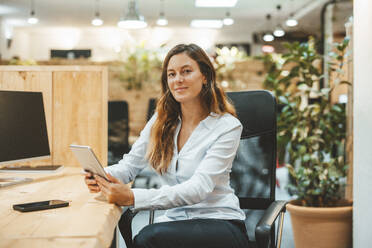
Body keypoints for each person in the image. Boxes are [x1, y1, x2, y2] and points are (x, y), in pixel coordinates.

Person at [84, 43, 250, 248]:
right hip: (177, 223)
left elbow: (198, 188)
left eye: (186, 71)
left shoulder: (227, 127)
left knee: (147, 239)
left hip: (220, 222)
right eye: (171, 74)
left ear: (205, 76)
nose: (178, 79)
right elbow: (130, 165)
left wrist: (133, 196)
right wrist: (103, 175)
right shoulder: (161, 121)